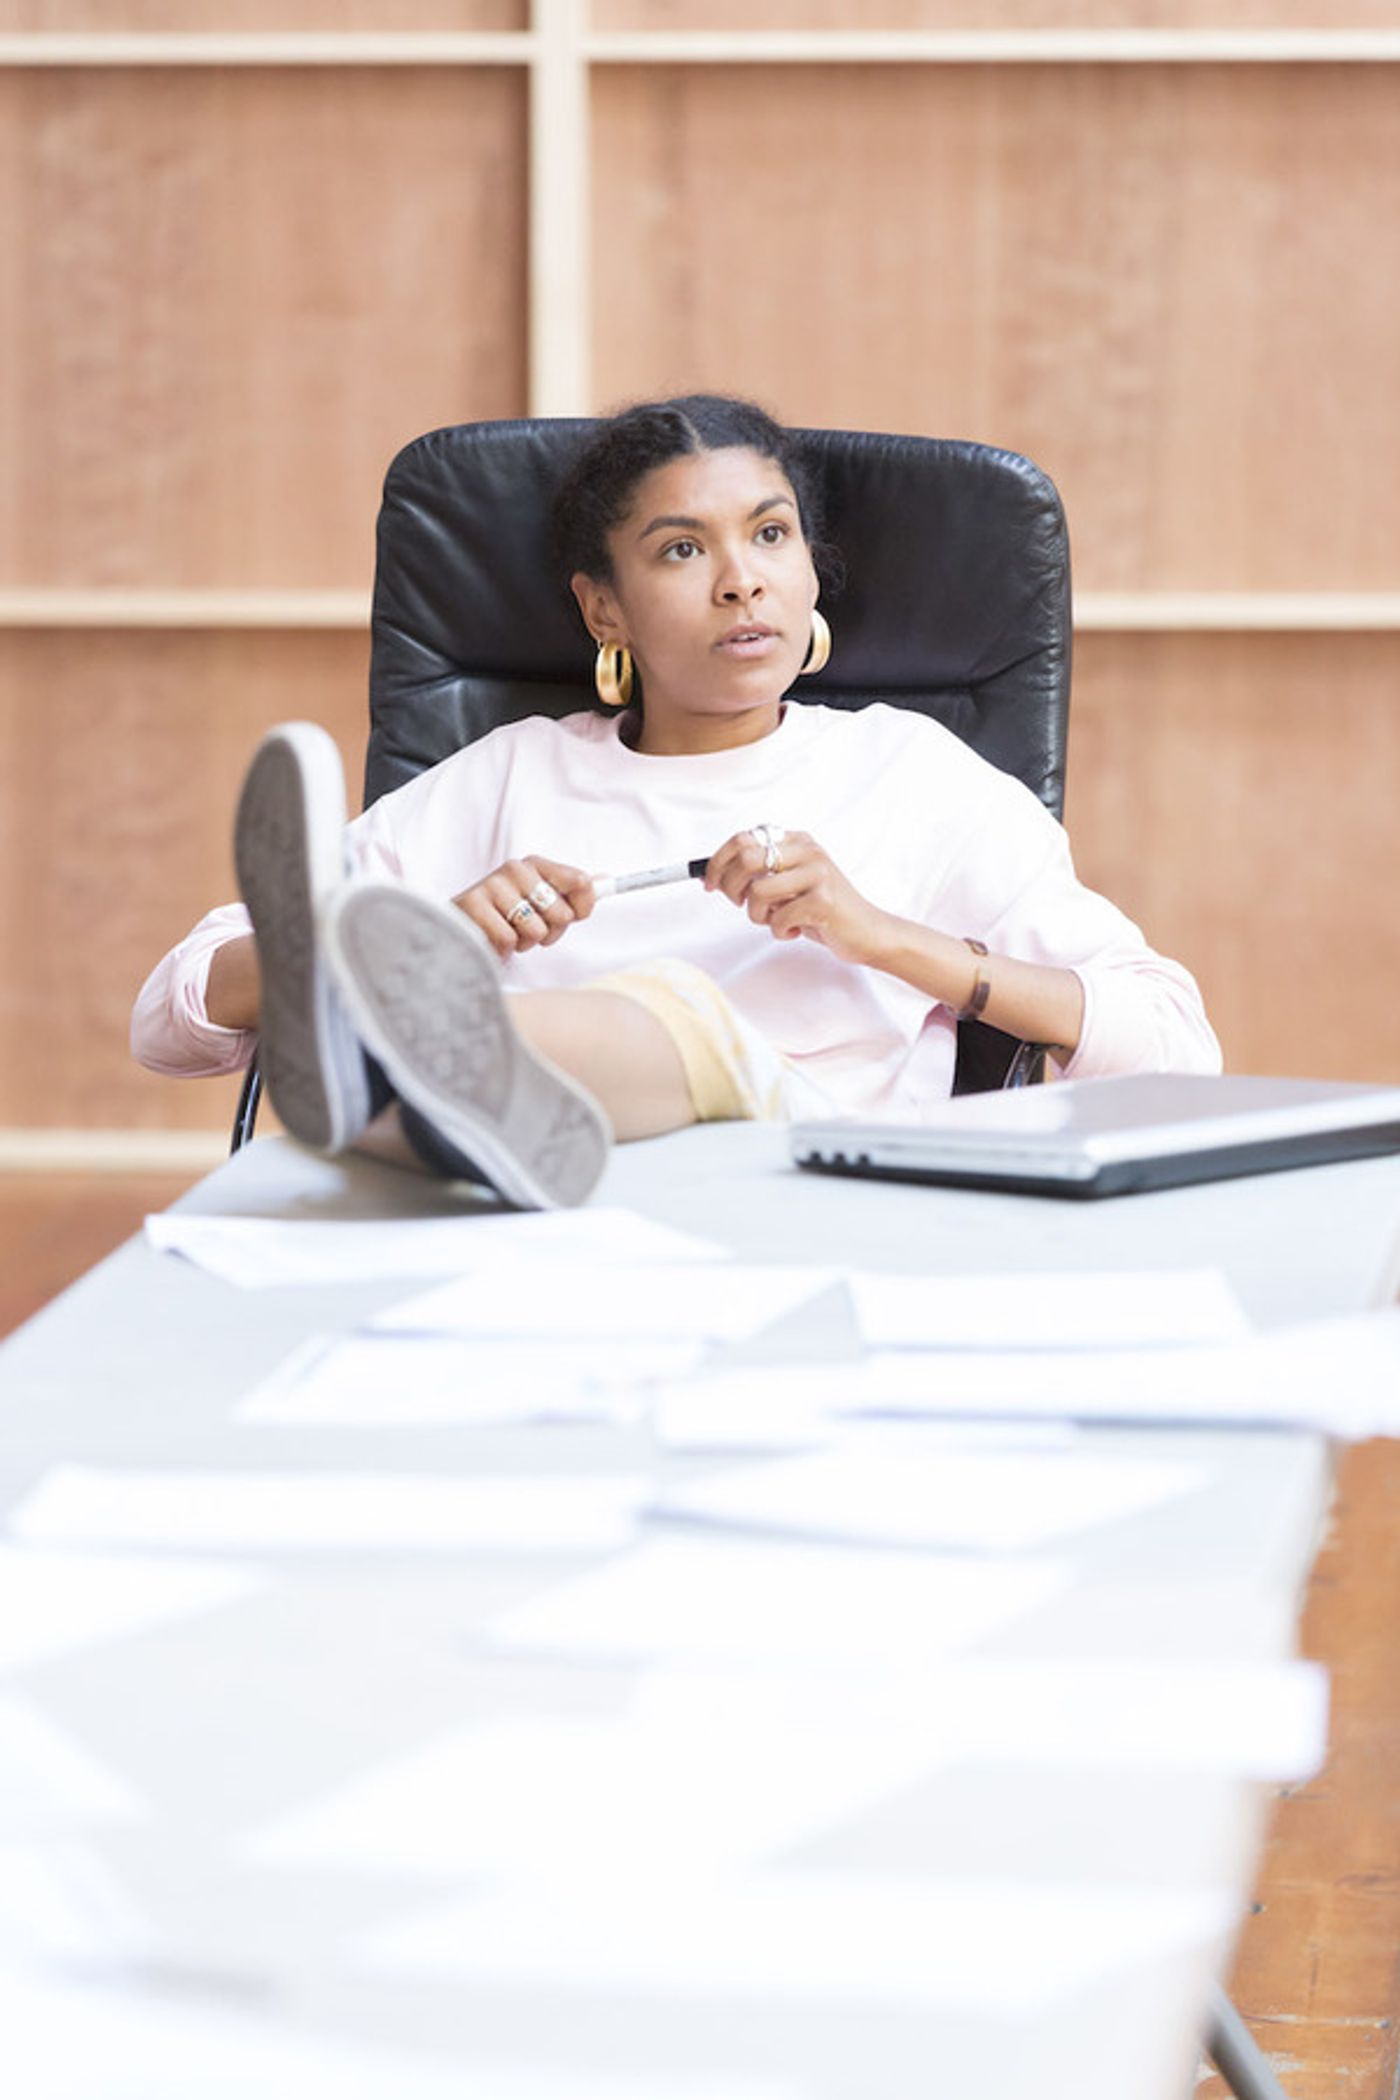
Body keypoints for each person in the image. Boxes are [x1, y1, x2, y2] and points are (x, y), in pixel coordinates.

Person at [132, 393, 1221, 1208]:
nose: (740, 580)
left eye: (769, 533)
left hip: (803, 1178)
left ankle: (398, 1057)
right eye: (681, 550)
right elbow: (168, 1020)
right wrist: (431, 930)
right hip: (536, 1211)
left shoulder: (912, 774)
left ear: (806, 572)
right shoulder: (514, 771)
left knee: (673, 1011)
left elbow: (1175, 1045)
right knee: (375, 1000)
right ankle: (394, 1037)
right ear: (603, 608)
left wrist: (885, 940)